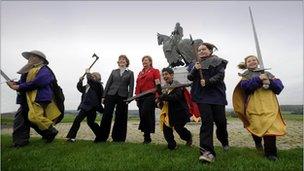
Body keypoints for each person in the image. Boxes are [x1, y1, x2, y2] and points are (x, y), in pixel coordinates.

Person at [232, 55, 286, 161]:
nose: (252, 62)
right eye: (249, 61)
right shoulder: (246, 75)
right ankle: (258, 142)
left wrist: (269, 82)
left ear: (258, 62)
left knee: (270, 128)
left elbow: (279, 88)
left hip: (269, 105)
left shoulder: (268, 74)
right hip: (254, 105)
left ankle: (271, 154)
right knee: (256, 126)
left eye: (254, 60)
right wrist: (259, 79)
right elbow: (246, 88)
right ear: (246, 64)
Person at [7, 50, 62, 145]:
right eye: (29, 57)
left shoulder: (45, 69)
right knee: (27, 118)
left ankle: (51, 131)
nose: (29, 59)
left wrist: (19, 86)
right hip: (27, 99)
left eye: (32, 57)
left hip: (40, 97)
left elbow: (39, 82)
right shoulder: (29, 70)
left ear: (40, 59)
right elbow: (24, 83)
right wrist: (15, 84)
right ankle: (47, 134)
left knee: (34, 117)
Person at [187, 42, 229, 163]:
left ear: (210, 50)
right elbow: (190, 77)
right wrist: (195, 69)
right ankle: (207, 152)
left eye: (203, 49)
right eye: (199, 50)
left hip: (217, 95)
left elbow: (220, 75)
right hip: (202, 96)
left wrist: (209, 81)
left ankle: (223, 140)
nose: (201, 52)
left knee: (221, 122)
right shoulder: (195, 64)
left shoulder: (218, 61)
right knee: (207, 123)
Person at [96, 55, 134, 142]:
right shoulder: (114, 71)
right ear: (118, 62)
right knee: (107, 115)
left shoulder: (130, 73)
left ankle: (118, 138)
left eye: (123, 59)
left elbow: (131, 87)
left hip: (123, 96)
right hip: (111, 94)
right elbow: (108, 84)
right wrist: (103, 96)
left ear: (126, 62)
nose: (122, 61)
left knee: (121, 116)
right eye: (120, 59)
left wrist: (129, 98)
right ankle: (101, 138)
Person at [157, 67, 192, 150]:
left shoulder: (178, 85)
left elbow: (176, 97)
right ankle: (172, 146)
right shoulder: (164, 88)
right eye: (163, 75)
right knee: (166, 129)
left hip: (179, 112)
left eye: (166, 74)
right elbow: (163, 100)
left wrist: (163, 96)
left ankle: (188, 137)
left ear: (172, 75)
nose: (165, 76)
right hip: (168, 112)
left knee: (179, 128)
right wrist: (159, 101)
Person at [66, 69, 103, 142]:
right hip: (85, 106)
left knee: (89, 122)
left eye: (93, 77)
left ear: (97, 78)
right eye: (91, 76)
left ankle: (101, 136)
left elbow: (91, 81)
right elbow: (80, 89)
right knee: (80, 121)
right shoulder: (87, 86)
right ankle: (72, 137)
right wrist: (80, 81)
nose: (92, 78)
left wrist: (88, 74)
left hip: (92, 107)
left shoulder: (98, 85)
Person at [135, 55, 161, 144]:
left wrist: (158, 96)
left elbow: (158, 84)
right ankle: (146, 137)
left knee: (146, 113)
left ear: (150, 62)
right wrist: (136, 97)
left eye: (146, 60)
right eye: (143, 61)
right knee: (143, 116)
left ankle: (147, 136)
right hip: (141, 97)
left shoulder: (155, 71)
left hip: (150, 96)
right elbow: (137, 85)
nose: (144, 62)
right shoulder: (140, 73)